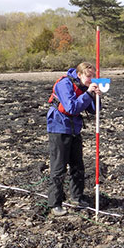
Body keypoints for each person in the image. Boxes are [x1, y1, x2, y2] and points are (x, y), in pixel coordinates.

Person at [44, 62, 101, 217]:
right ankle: (55, 203)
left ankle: (76, 197)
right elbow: (71, 107)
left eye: (93, 76)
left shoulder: (84, 87)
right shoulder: (64, 84)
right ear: (79, 74)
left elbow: (93, 110)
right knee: (58, 168)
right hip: (59, 128)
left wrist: (96, 96)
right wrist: (88, 93)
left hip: (74, 129)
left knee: (78, 166)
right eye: (89, 76)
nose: (91, 79)